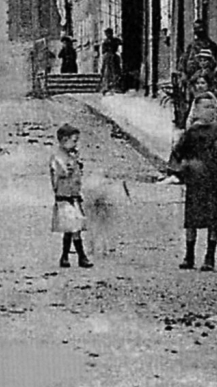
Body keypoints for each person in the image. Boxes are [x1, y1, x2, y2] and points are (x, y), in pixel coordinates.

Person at [168, 92, 217, 272]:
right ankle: (189, 256)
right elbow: (177, 153)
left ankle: (210, 257)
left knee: (214, 220)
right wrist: (185, 166)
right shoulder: (191, 133)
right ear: (196, 110)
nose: (210, 111)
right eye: (206, 107)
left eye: (212, 107)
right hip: (196, 182)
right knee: (192, 220)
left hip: (215, 180)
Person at [49, 123, 92, 268]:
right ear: (64, 140)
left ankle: (65, 257)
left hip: (73, 196)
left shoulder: (71, 156)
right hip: (64, 197)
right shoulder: (58, 158)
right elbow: (62, 174)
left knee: (72, 227)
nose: (75, 144)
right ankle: (82, 256)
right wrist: (73, 164)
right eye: (74, 141)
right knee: (74, 228)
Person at [99, 28, 122, 93]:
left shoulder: (115, 40)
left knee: (116, 71)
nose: (108, 35)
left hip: (114, 57)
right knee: (107, 72)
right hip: (108, 58)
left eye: (109, 33)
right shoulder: (105, 42)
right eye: (107, 33)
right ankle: (106, 86)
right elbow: (103, 51)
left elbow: (120, 43)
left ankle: (116, 86)